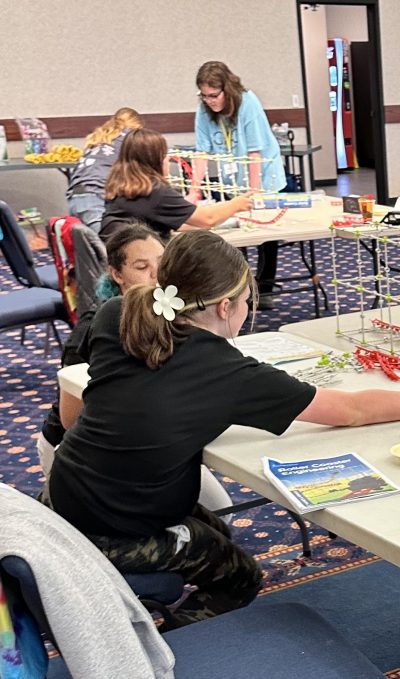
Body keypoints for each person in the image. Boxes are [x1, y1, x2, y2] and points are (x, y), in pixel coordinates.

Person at [43, 230, 400, 623]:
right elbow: (352, 411)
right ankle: (171, 647)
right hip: (115, 531)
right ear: (226, 307)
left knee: (216, 532)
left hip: (64, 495)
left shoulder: (116, 314)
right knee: (243, 576)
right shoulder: (227, 371)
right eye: (249, 300)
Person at [37, 222, 236, 517]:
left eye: (162, 263)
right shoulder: (99, 324)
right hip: (81, 452)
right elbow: (71, 419)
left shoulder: (174, 311)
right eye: (142, 267)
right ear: (117, 275)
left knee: (221, 509)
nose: (156, 275)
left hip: (147, 444)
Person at [192, 61, 285, 310]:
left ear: (227, 89)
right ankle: (241, 288)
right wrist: (194, 190)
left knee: (265, 234)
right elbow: (202, 152)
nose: (209, 101)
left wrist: (253, 194)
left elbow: (255, 152)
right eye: (204, 96)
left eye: (214, 95)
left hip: (262, 175)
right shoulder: (204, 109)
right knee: (234, 234)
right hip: (231, 179)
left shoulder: (247, 102)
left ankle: (264, 289)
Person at [99, 128, 252, 244]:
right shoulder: (154, 192)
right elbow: (208, 219)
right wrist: (236, 204)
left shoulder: (122, 187)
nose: (167, 160)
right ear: (155, 159)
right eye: (165, 155)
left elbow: (177, 223)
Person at [66, 108, 144, 233]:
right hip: (96, 198)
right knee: (113, 246)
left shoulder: (100, 139)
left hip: (75, 198)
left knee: (92, 249)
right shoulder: (129, 138)